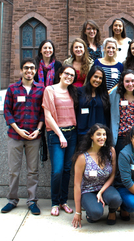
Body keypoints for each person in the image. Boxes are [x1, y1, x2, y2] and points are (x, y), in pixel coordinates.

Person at [1, 57, 44, 215]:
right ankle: (12, 199)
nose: (29, 71)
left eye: (32, 68)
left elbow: (43, 113)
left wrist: (38, 130)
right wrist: (18, 130)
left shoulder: (41, 89)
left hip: (34, 136)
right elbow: (7, 111)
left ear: (35, 70)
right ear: (21, 70)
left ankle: (32, 201)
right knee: (14, 170)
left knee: (33, 170)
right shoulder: (12, 89)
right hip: (15, 135)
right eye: (26, 68)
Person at [42, 65, 78, 216]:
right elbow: (48, 116)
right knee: (57, 170)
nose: (69, 77)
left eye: (72, 75)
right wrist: (60, 135)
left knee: (67, 170)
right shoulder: (50, 90)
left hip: (72, 133)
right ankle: (55, 202)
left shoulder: (72, 91)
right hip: (56, 135)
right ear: (61, 74)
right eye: (67, 74)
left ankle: (64, 201)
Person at [72, 124, 122, 227]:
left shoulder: (111, 151)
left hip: (105, 188)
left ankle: (112, 212)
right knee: (96, 214)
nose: (102, 137)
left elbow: (112, 175)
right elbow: (77, 185)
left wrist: (101, 192)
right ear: (91, 137)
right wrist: (78, 212)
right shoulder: (82, 157)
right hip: (88, 190)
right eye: (98, 134)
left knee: (116, 199)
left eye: (104, 134)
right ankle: (91, 212)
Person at [109, 69, 134, 155]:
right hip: (121, 135)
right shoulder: (115, 94)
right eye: (127, 81)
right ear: (122, 82)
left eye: (132, 81)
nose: (130, 84)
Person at [76, 66, 111, 145]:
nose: (97, 80)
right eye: (95, 76)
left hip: (100, 135)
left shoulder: (104, 95)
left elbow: (107, 115)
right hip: (83, 133)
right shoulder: (79, 92)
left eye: (100, 78)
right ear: (90, 76)